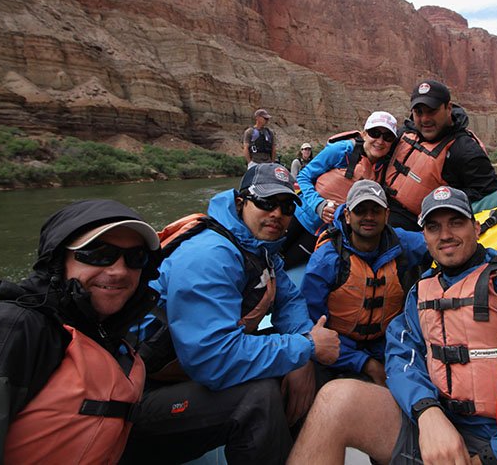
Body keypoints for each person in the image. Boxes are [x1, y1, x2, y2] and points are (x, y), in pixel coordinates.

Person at [288, 186, 497, 465]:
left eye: (456, 223)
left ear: (476, 228)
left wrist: (493, 454)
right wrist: (427, 411)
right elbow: (401, 354)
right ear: (425, 238)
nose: (445, 235)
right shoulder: (420, 293)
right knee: (334, 399)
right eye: (433, 227)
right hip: (436, 426)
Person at [122, 163, 340, 464]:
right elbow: (213, 359)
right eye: (266, 202)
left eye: (287, 206)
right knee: (258, 397)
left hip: (188, 372)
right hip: (140, 396)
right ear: (240, 203)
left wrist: (302, 346)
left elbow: (289, 300)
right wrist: (306, 346)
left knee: (315, 369)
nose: (277, 213)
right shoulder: (210, 255)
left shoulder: (260, 250)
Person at [0, 200, 161, 464]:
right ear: (57, 261)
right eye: (98, 254)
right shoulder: (8, 329)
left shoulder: (105, 326)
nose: (119, 271)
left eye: (135, 258)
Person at [301, 179, 429, 387]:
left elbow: (437, 244)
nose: (369, 217)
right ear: (347, 215)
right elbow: (312, 325)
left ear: (386, 215)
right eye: (360, 210)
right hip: (340, 350)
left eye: (375, 211)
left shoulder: (401, 242)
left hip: (389, 345)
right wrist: (365, 363)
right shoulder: (326, 260)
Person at [383, 79, 497, 232]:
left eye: (432, 111)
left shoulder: (465, 150)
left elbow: (490, 192)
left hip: (416, 228)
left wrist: (446, 199)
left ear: (448, 108)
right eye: (419, 112)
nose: (425, 119)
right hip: (381, 207)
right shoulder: (407, 131)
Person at [282, 110, 398, 269]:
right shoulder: (342, 150)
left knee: (285, 265)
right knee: (267, 255)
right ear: (364, 134)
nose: (380, 141)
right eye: (375, 133)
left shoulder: (383, 170)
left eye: (388, 137)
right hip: (299, 215)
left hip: (319, 232)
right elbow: (303, 176)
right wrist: (319, 205)